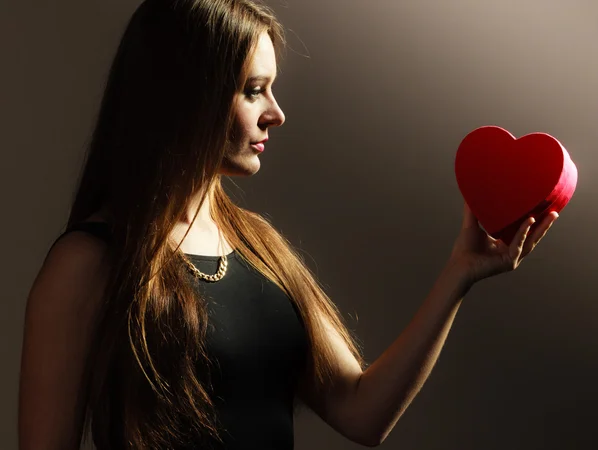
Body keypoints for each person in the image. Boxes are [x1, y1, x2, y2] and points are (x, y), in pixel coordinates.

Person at [17, 0, 559, 449]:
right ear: (188, 97)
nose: (275, 113)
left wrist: (459, 274)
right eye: (253, 90)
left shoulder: (257, 244)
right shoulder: (89, 262)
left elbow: (361, 412)